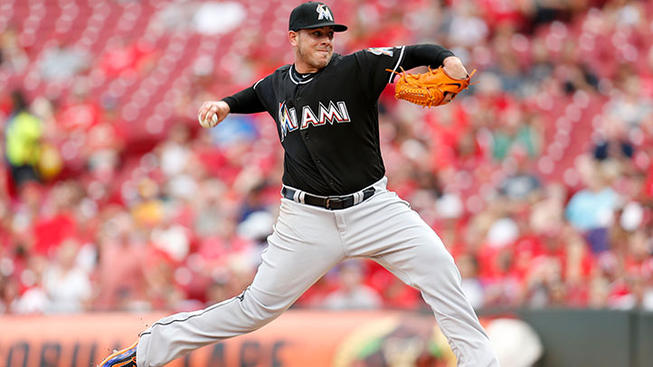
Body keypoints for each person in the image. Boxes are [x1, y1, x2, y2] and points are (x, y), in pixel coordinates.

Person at [99, 2, 499, 366]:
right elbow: (253, 95)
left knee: (440, 269)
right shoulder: (277, 84)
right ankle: (148, 351)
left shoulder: (356, 68)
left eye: (329, 34)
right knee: (254, 308)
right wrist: (224, 105)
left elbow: (416, 52)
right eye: (316, 34)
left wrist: (449, 59)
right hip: (306, 219)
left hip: (373, 209)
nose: (325, 41)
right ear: (294, 38)